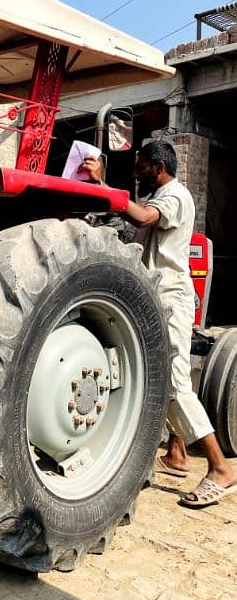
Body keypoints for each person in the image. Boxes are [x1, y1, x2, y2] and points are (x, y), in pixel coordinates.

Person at [84, 139, 237, 507]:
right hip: (156, 296)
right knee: (158, 375)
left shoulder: (176, 195)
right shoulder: (159, 196)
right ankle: (178, 455)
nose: (137, 173)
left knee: (176, 380)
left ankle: (220, 467)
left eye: (140, 167)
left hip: (171, 299)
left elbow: (142, 218)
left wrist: (105, 186)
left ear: (158, 166)